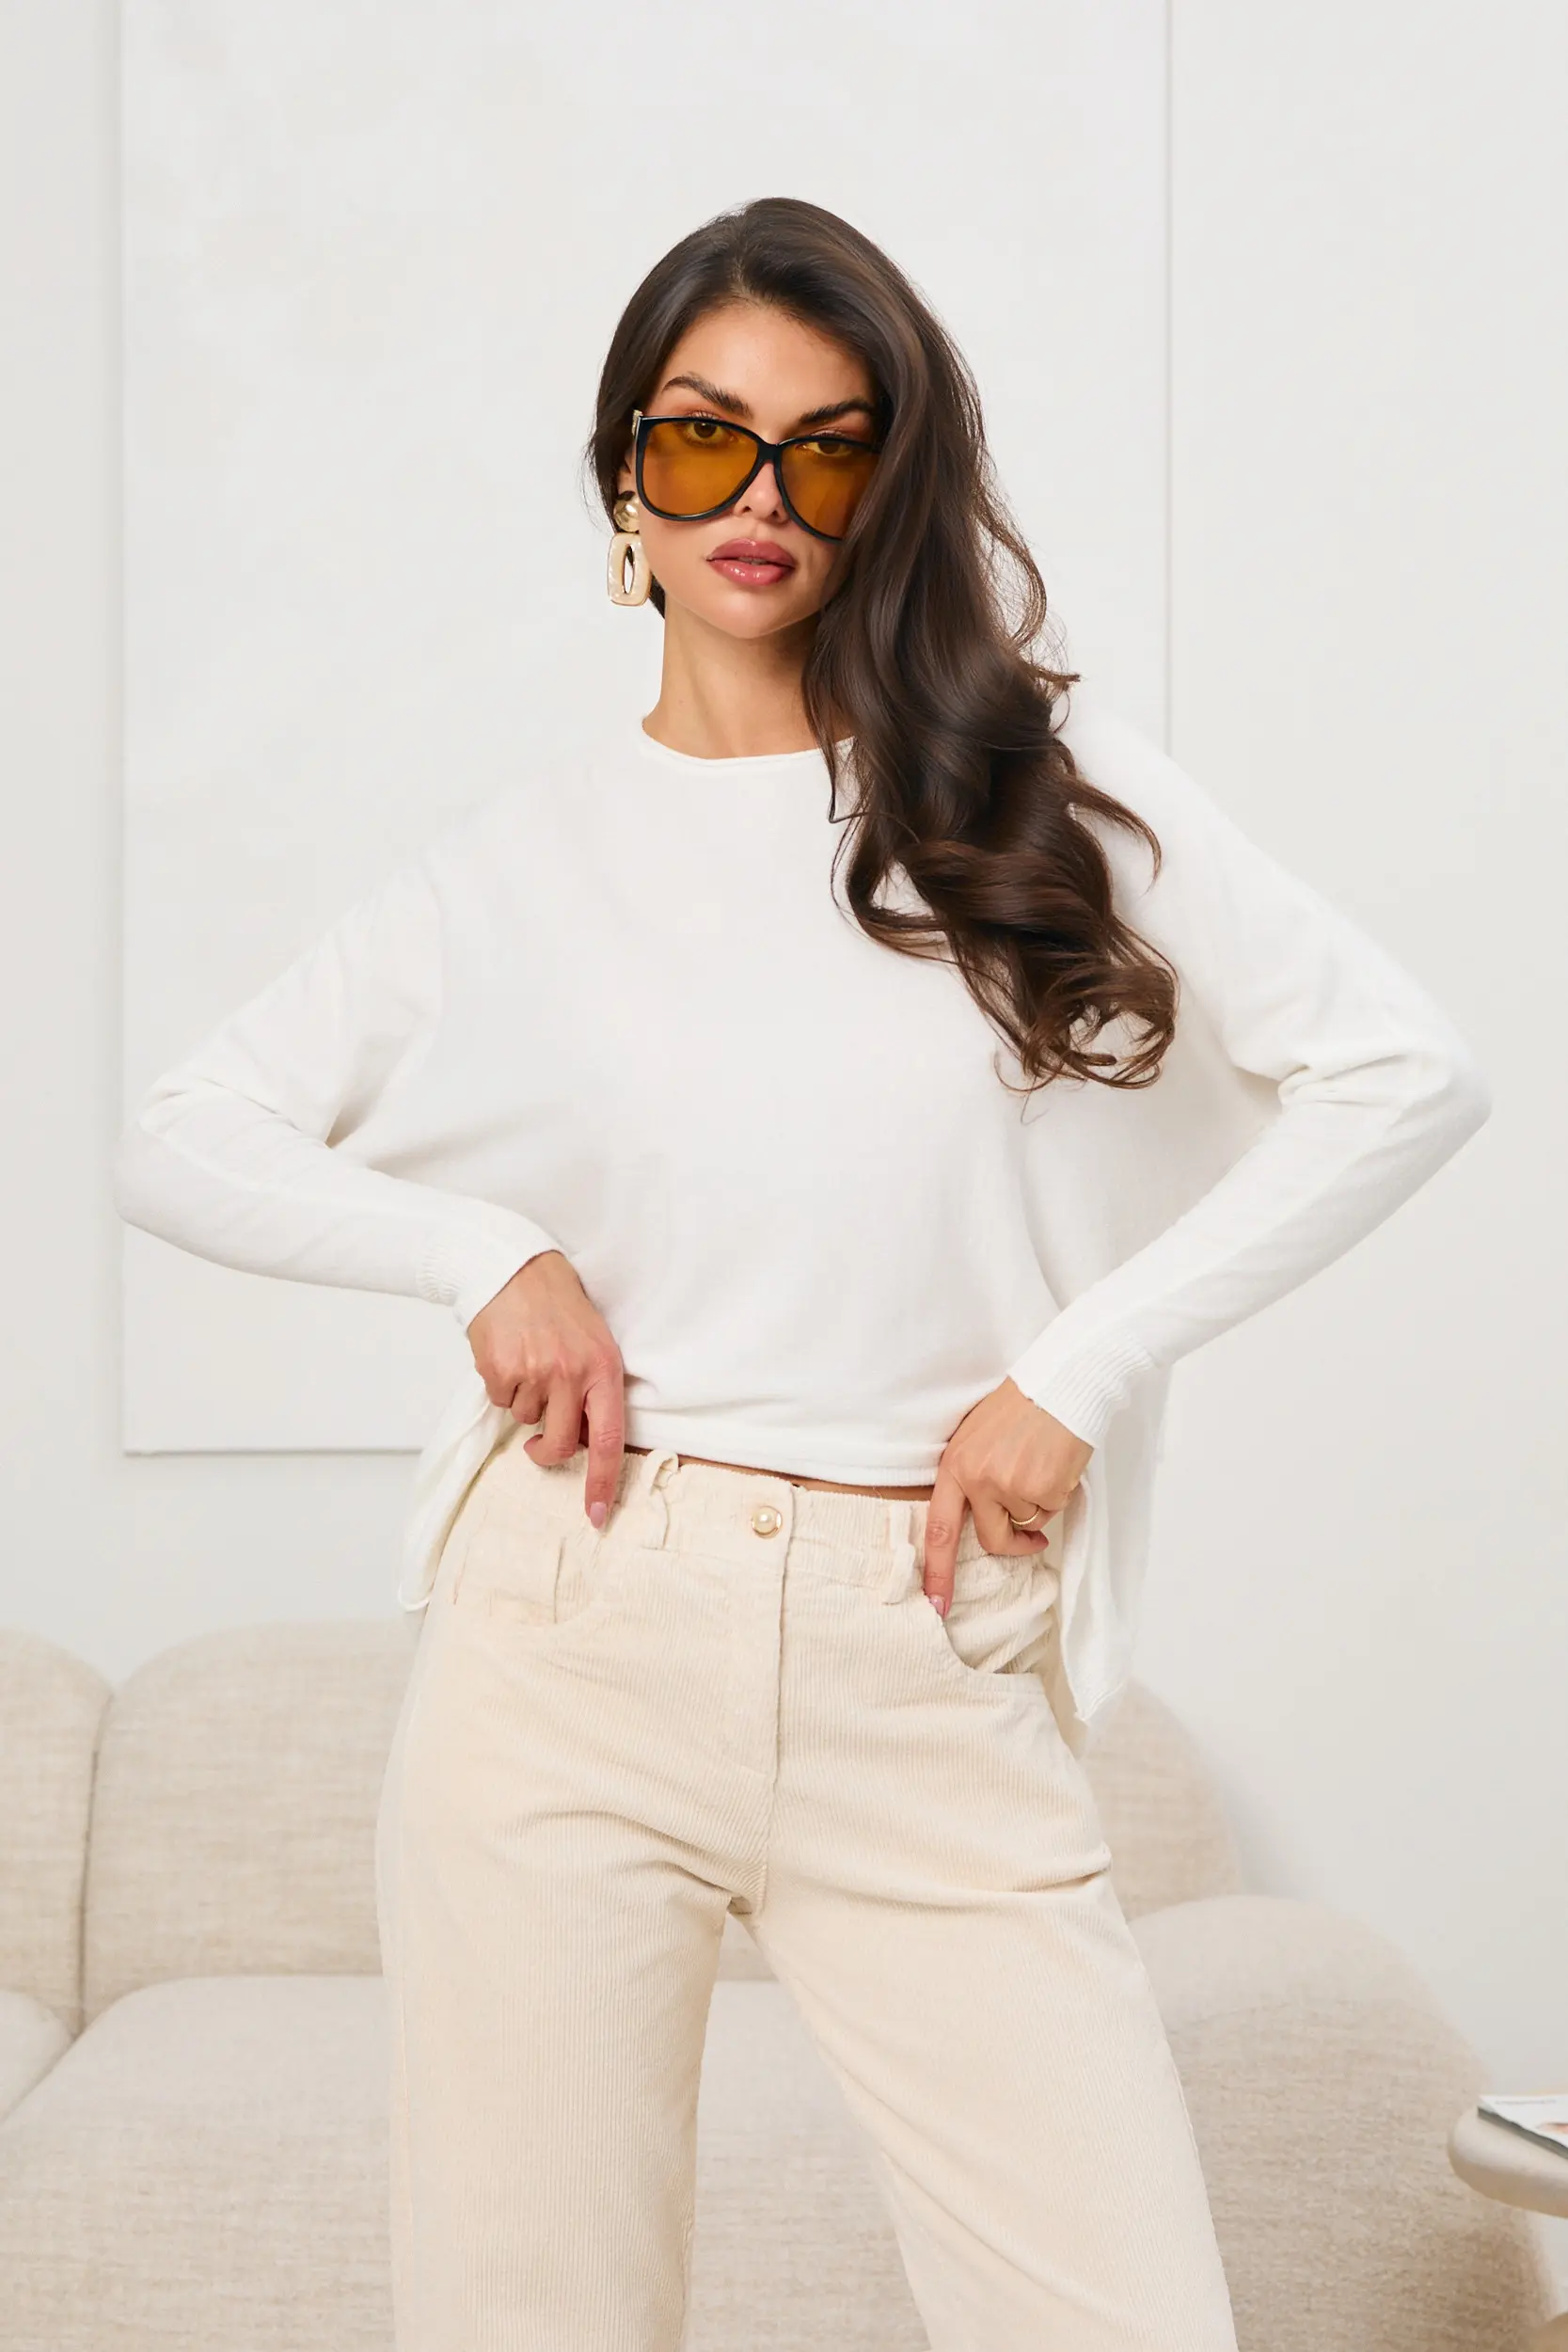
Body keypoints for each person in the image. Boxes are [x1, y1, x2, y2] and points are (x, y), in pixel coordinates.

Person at [112, 196, 1491, 2351]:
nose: (757, 499)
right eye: (700, 439)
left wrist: (1077, 1369)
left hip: (920, 1643)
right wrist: (483, 1252)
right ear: (622, 480)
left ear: (886, 489)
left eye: (826, 451)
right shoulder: (509, 867)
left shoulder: (1035, 801)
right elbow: (175, 1132)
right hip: (569, 1630)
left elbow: (1404, 1074)